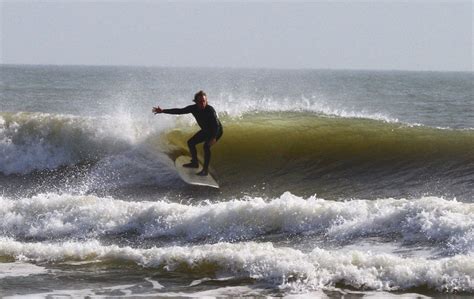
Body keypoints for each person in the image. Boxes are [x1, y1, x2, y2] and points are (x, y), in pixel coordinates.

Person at [152, 90, 223, 176]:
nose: (202, 103)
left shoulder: (210, 110)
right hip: (206, 130)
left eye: (204, 101)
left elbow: (216, 126)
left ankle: (205, 170)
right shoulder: (193, 108)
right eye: (200, 101)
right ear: (196, 102)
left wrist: (213, 138)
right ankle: (195, 163)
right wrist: (163, 111)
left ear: (206, 101)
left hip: (216, 131)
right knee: (191, 142)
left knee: (206, 146)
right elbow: (179, 111)